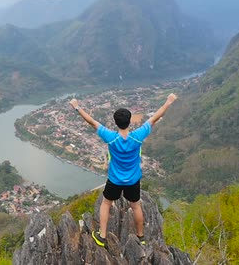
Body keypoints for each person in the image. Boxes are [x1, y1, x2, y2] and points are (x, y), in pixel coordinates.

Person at [68, 93, 178, 247]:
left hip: (115, 179)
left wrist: (77, 107)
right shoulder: (137, 136)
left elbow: (91, 122)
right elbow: (155, 117)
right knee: (136, 206)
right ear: (129, 121)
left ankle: (103, 236)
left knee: (106, 204)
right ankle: (141, 237)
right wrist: (169, 101)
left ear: (116, 122)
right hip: (133, 179)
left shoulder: (110, 137)